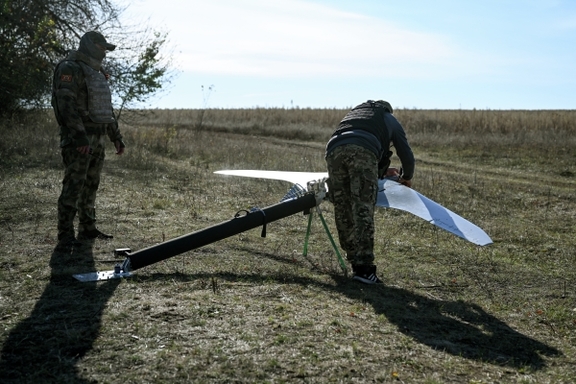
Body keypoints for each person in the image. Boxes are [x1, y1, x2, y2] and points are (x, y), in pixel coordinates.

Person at [325, 100, 415, 284]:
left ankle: (354, 261)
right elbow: (405, 153)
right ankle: (365, 269)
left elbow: (352, 142)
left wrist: (378, 170)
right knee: (362, 207)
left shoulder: (354, 115)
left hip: (333, 150)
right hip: (363, 151)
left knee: (343, 206)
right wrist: (406, 176)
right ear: (387, 109)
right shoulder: (388, 118)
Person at [51, 31, 126, 250]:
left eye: (105, 48)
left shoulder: (97, 72)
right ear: (89, 45)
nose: (104, 51)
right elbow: (65, 104)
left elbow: (104, 107)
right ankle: (65, 234)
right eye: (101, 47)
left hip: (97, 137)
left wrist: (116, 137)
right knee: (74, 185)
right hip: (79, 139)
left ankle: (87, 227)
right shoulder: (70, 67)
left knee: (91, 184)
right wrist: (79, 136)